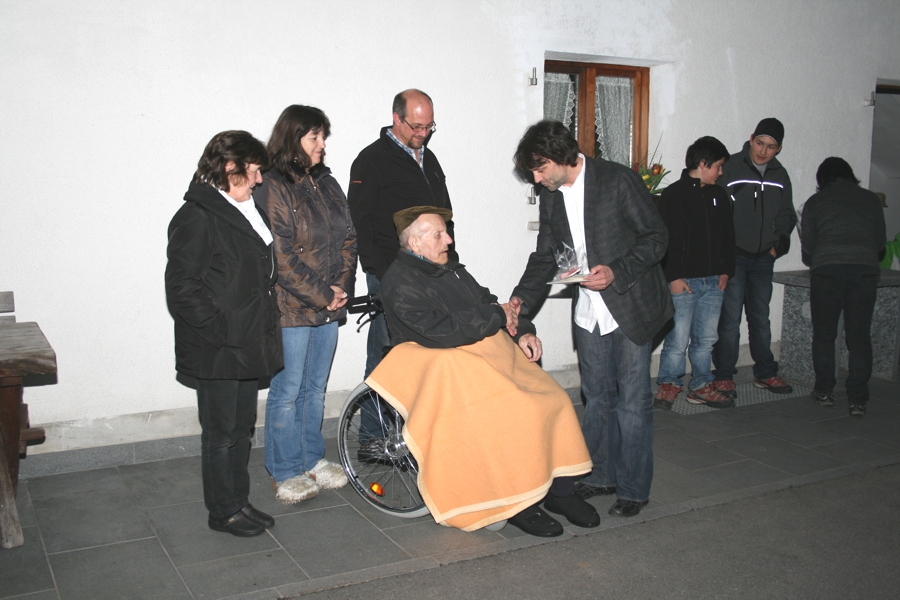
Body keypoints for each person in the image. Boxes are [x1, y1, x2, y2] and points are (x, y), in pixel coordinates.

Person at [370, 206, 598, 537]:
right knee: (516, 411)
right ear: (414, 243)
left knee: (554, 399)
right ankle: (518, 503)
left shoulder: (451, 268)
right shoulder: (399, 281)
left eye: (446, 231)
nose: (448, 239)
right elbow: (441, 330)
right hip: (443, 365)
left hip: (480, 356)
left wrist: (523, 331)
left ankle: (559, 492)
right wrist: (495, 316)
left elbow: (490, 303)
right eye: (438, 234)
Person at [510, 120, 674, 518]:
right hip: (588, 312)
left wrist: (617, 270)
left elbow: (656, 237)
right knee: (597, 397)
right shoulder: (551, 197)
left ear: (561, 156)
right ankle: (600, 475)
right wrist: (519, 302)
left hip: (630, 305)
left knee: (632, 403)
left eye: (540, 168)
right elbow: (545, 256)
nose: (536, 179)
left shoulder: (617, 180)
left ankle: (633, 489)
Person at [165, 131, 283, 537]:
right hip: (217, 347)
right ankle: (222, 511)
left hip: (246, 341)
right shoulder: (197, 216)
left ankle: (239, 501)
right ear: (230, 167)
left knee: (241, 428)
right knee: (220, 435)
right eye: (254, 170)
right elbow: (182, 288)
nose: (259, 179)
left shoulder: (245, 209)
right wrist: (223, 329)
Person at [254, 106, 357, 504]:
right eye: (314, 137)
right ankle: (284, 470)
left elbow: (349, 237)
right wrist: (323, 293)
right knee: (288, 390)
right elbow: (280, 255)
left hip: (328, 303)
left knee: (315, 388)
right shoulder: (272, 184)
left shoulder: (327, 181)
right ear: (292, 138)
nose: (322, 144)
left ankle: (312, 458)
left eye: (323, 136)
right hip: (291, 306)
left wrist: (341, 286)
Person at [347, 89, 454, 378]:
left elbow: (445, 215)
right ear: (397, 118)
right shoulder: (371, 160)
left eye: (429, 127)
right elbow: (358, 222)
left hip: (433, 271)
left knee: (426, 352)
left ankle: (415, 409)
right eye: (416, 126)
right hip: (391, 273)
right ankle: (372, 410)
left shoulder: (430, 160)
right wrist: (382, 272)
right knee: (387, 353)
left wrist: (450, 259)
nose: (423, 133)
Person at [712, 118, 797, 398]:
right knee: (730, 319)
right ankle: (724, 375)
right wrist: (723, 249)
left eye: (771, 147)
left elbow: (787, 213)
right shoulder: (731, 167)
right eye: (760, 143)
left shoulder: (780, 174)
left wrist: (778, 245)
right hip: (734, 256)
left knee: (760, 318)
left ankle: (766, 372)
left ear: (778, 148)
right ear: (751, 139)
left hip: (764, 258)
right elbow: (717, 208)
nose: (763, 151)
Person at [801, 157, 886, 416]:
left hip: (827, 271)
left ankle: (824, 391)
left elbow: (809, 248)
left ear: (822, 179)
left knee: (825, 334)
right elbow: (880, 243)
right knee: (859, 336)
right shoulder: (871, 199)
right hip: (864, 271)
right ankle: (857, 400)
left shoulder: (815, 202)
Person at [654, 136, 736, 409]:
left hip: (713, 282)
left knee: (706, 339)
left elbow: (728, 236)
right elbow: (664, 240)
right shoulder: (674, 195)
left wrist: (726, 271)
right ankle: (669, 383)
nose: (720, 172)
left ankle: (701, 384)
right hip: (683, 282)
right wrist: (672, 276)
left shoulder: (719, 195)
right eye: (718, 166)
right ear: (703, 163)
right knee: (677, 339)